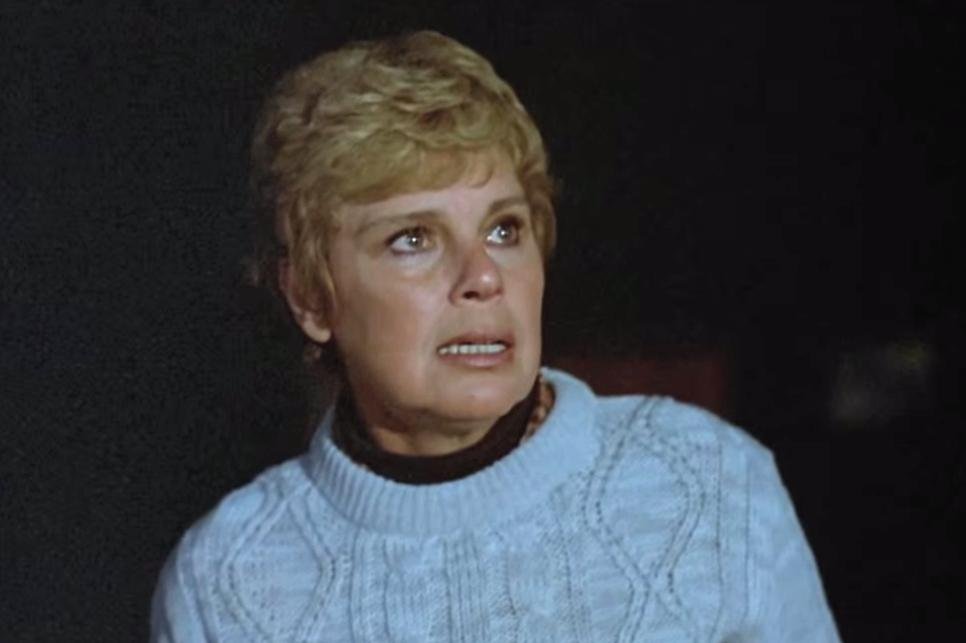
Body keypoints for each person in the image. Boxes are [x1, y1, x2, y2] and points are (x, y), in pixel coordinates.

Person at [151, 30, 840, 641]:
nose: (482, 276)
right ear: (309, 295)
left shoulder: (710, 481)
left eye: (504, 228)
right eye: (413, 238)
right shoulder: (226, 580)